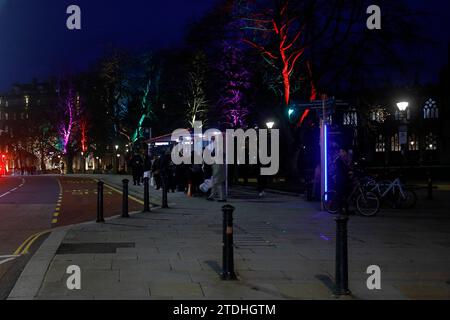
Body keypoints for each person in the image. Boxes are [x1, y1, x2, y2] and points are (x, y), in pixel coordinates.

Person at [334, 148, 352, 215]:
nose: (341, 153)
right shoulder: (338, 160)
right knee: (340, 195)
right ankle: (340, 209)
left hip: (345, 180)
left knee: (346, 195)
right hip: (340, 180)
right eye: (341, 152)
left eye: (342, 151)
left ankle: (346, 210)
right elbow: (341, 170)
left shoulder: (345, 159)